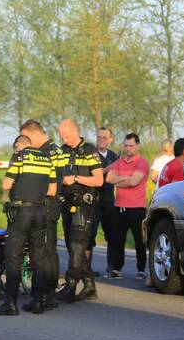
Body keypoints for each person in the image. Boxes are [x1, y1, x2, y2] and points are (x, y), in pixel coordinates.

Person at [0, 134, 56, 316]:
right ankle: (38, 302)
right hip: (41, 212)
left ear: (19, 145)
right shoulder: (47, 159)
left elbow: (5, 184)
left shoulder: (19, 157)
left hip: (22, 213)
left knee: (13, 257)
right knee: (38, 258)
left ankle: (10, 303)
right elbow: (52, 190)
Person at [56, 119, 104, 302]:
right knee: (72, 247)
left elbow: (99, 180)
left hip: (84, 205)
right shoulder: (62, 151)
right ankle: (90, 286)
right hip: (66, 204)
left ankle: (70, 285)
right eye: (61, 136)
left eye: (66, 135)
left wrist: (75, 178)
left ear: (75, 131)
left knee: (77, 245)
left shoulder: (90, 150)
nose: (64, 138)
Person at [19, 119, 63, 311]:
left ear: (34, 134)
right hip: (54, 205)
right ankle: (50, 293)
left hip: (44, 205)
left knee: (41, 252)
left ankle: (42, 295)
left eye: (27, 138)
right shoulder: (57, 149)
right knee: (50, 250)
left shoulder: (44, 153)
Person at [104, 133, 149, 280]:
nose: (128, 148)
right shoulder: (119, 162)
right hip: (119, 207)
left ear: (138, 146)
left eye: (131, 146)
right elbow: (109, 178)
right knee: (117, 240)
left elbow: (134, 182)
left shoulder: (142, 163)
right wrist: (125, 178)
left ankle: (141, 270)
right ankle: (116, 269)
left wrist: (120, 181)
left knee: (139, 241)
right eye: (126, 145)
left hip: (137, 208)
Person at [90, 126, 119, 278]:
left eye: (105, 137)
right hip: (93, 201)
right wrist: (109, 168)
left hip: (109, 201)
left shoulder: (114, 155)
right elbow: (96, 174)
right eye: (99, 137)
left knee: (112, 235)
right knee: (90, 235)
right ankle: (86, 268)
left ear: (110, 139)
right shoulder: (91, 154)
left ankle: (112, 267)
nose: (101, 140)